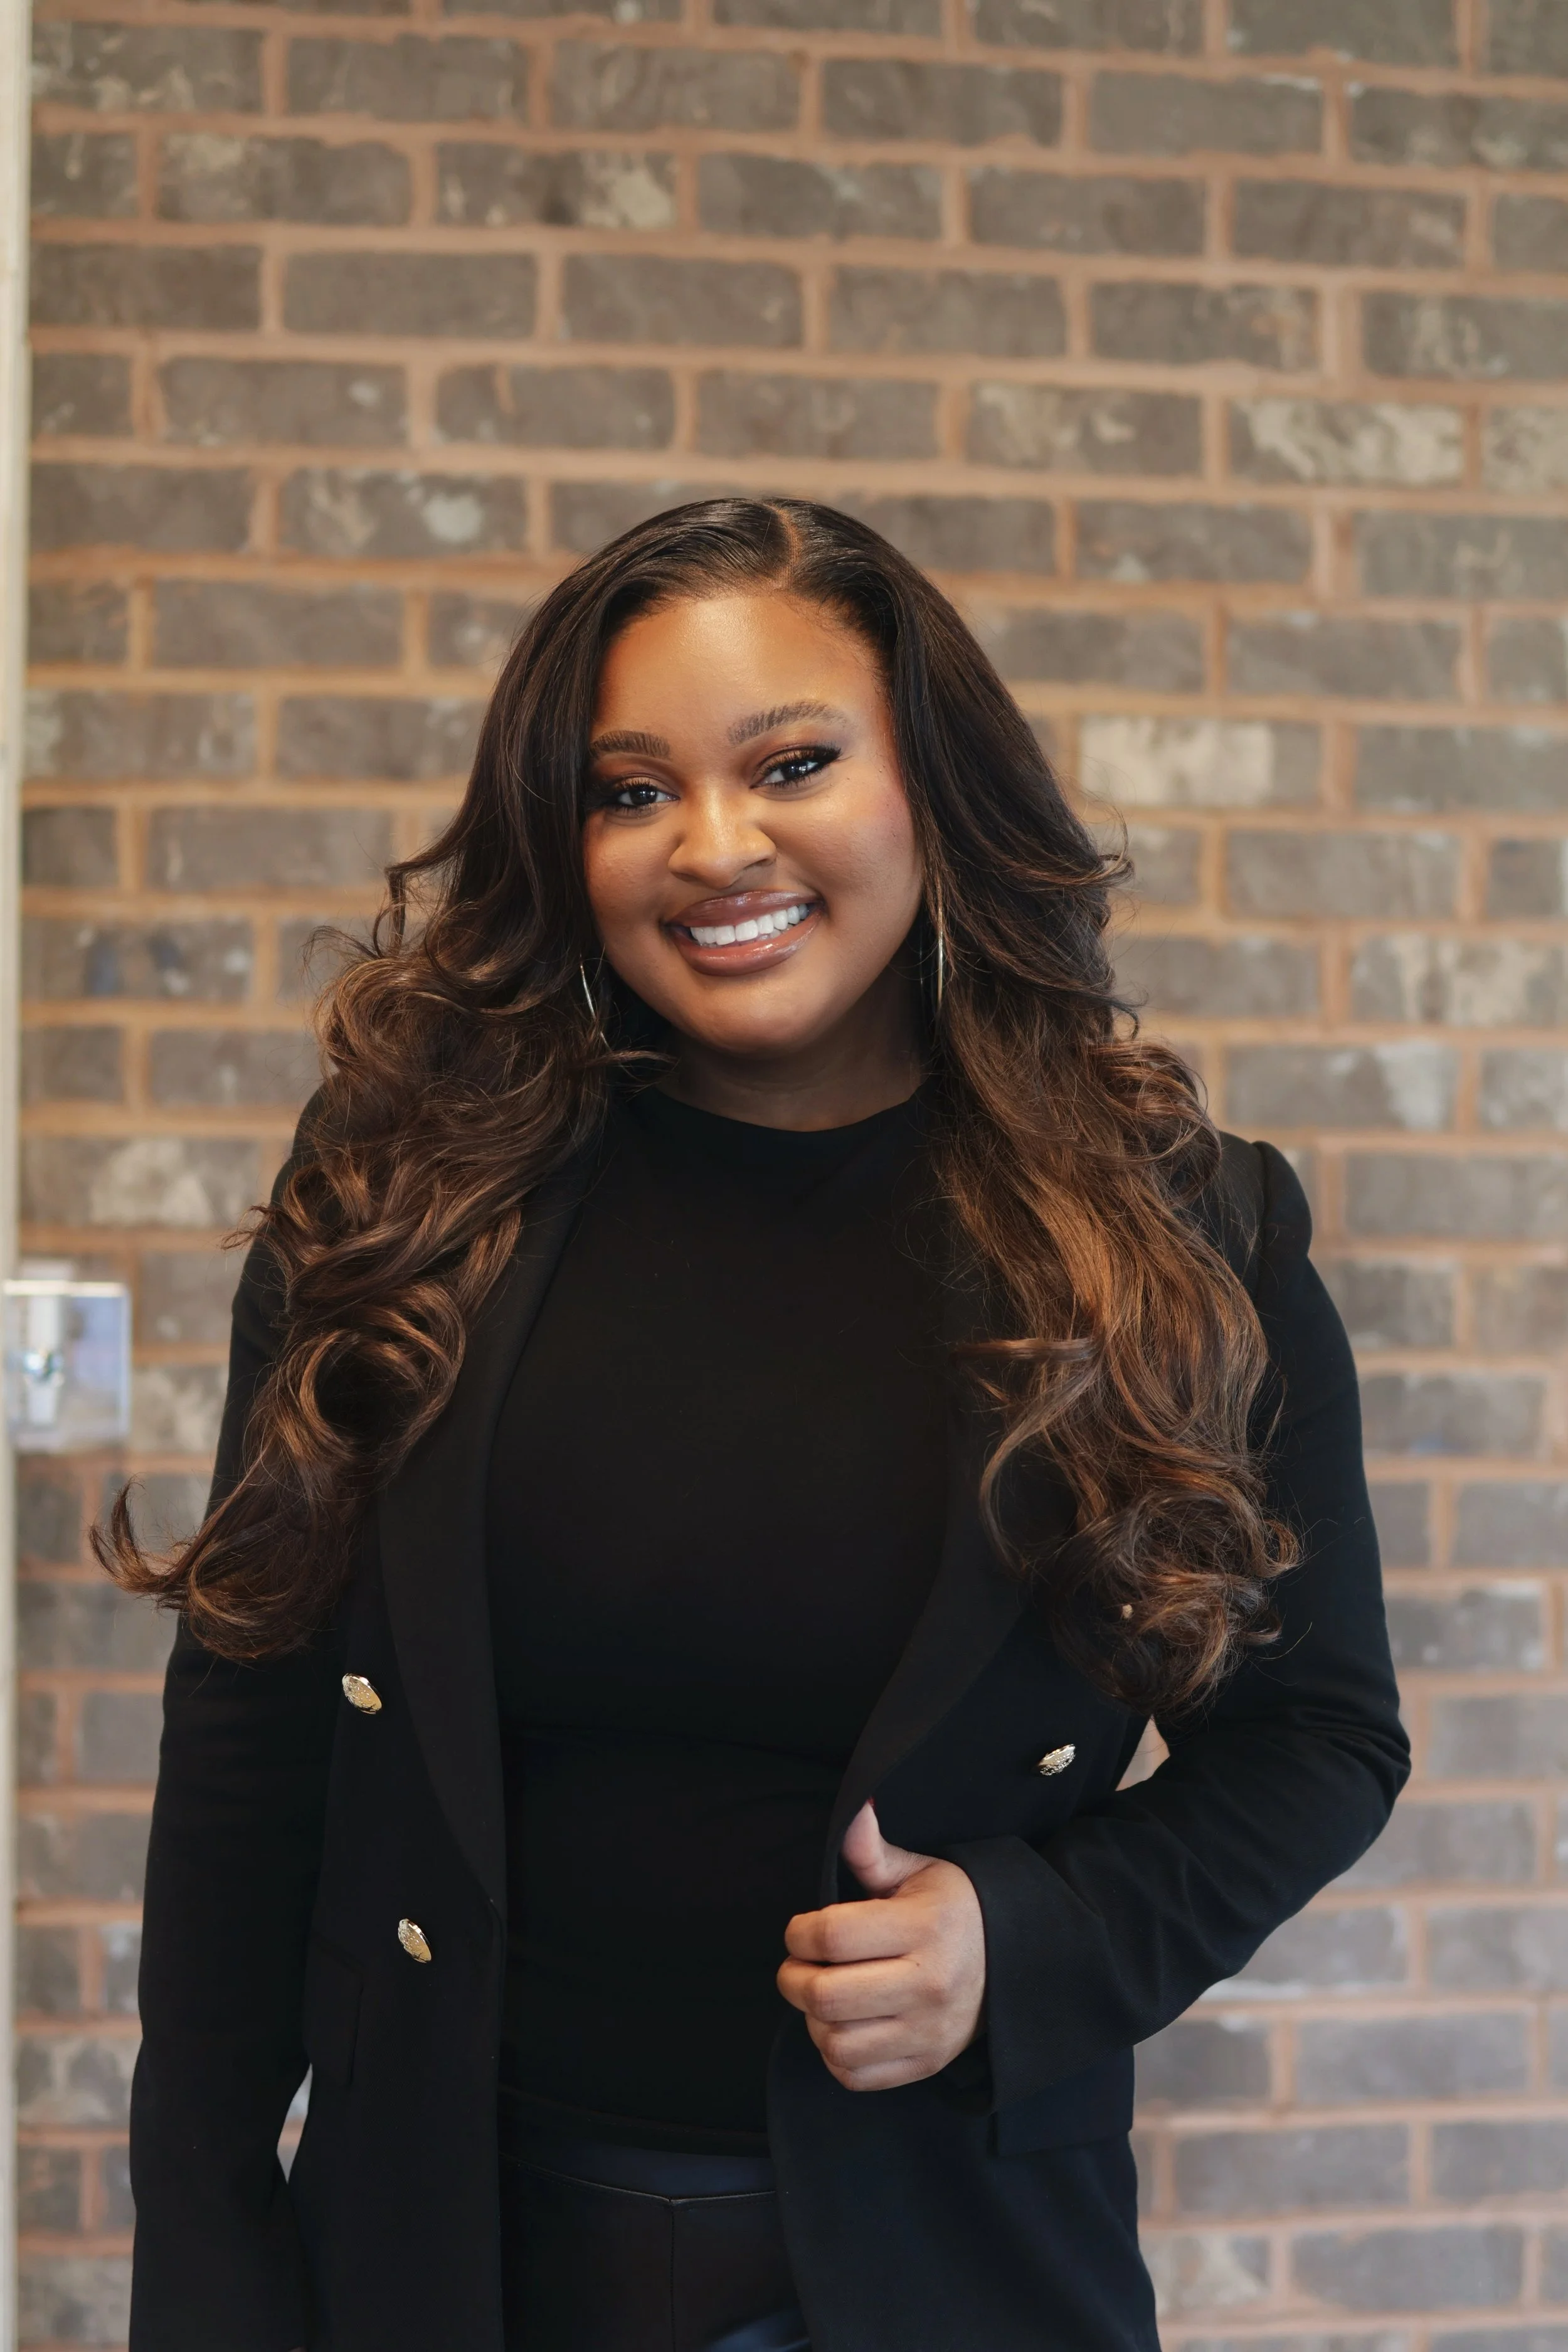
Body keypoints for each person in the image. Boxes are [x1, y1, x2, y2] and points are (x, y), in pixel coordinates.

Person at [105, 497, 1408, 2352]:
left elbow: (1316, 1736)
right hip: (439, 2264)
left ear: (929, 784)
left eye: (791, 760)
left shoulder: (1181, 1229)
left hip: (941, 2273)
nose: (713, 847)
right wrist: (211, 2255)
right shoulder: (406, 1202)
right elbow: (249, 1748)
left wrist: (1021, 1941)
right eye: (628, 790)